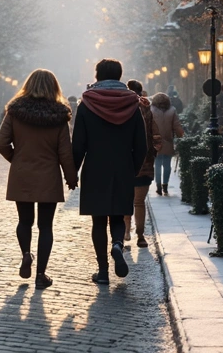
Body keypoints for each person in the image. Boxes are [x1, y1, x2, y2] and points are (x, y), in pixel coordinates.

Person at [0, 69, 77, 289]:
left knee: (24, 221)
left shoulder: (15, 112)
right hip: (48, 175)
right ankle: (41, 274)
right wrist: (71, 178)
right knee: (45, 226)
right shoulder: (60, 117)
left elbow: (1, 143)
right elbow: (65, 153)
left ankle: (25, 254)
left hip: (22, 174)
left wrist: (17, 159)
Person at [72, 58, 146, 285]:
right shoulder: (133, 104)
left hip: (95, 168)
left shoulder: (86, 104)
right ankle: (117, 244)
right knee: (117, 214)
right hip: (122, 166)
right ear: (120, 76)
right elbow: (141, 144)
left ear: (97, 76)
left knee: (98, 221)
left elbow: (78, 144)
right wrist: (131, 168)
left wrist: (72, 172)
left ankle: (102, 271)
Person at [123, 80, 161, 249]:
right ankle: (140, 236)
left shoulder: (121, 108)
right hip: (144, 163)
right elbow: (156, 135)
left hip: (123, 162)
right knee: (139, 202)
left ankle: (125, 232)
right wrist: (152, 152)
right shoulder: (146, 108)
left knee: (124, 201)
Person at [149, 92, 186, 196]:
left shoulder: (151, 110)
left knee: (157, 164)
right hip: (168, 141)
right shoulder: (172, 110)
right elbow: (177, 126)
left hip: (155, 141)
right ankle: (165, 185)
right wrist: (182, 136)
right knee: (167, 164)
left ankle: (158, 186)